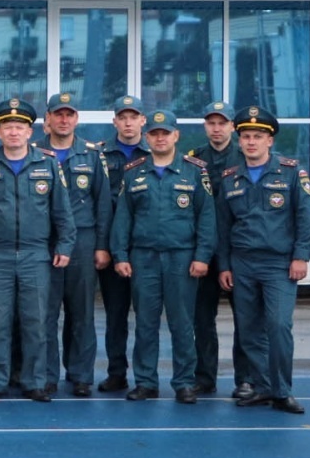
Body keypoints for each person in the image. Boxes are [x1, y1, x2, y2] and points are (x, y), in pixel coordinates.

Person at [0, 99, 76, 401]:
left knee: (35, 321)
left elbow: (61, 211)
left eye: (19, 127)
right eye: (7, 126)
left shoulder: (47, 164)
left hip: (36, 255)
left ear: (30, 131)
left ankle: (34, 381)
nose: (13, 132)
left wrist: (64, 244)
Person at [108, 110, 216, 403]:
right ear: (147, 136)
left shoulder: (195, 171)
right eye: (154, 133)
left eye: (165, 133)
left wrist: (203, 256)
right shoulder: (134, 172)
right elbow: (122, 219)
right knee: (145, 323)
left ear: (175, 136)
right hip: (143, 258)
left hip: (182, 259)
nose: (159, 138)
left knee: (182, 324)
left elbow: (206, 217)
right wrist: (120, 255)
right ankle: (145, 382)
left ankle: (183, 382)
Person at [214, 105, 310, 416]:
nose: (251, 142)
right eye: (246, 136)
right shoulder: (230, 178)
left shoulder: (291, 172)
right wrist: (225, 265)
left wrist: (301, 256)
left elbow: (307, 218)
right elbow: (222, 226)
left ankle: (282, 390)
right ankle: (261, 386)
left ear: (269, 141)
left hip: (279, 264)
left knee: (278, 325)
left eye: (258, 136)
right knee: (249, 329)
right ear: (239, 139)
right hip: (242, 264)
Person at [40, 92, 108, 397]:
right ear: (48, 120)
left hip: (83, 239)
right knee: (45, 313)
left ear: (76, 119)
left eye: (69, 115)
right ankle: (47, 374)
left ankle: (80, 374)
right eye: (58, 114)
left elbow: (103, 204)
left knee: (81, 312)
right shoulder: (36, 153)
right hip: (45, 241)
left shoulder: (92, 155)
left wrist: (102, 246)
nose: (64, 120)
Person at [187, 99, 250, 398]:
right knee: (202, 319)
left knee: (246, 318)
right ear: (205, 126)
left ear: (232, 127)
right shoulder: (194, 159)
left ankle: (246, 379)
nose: (216, 128)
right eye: (211, 123)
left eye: (222, 123)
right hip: (204, 252)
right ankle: (204, 377)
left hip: (238, 250)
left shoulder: (246, 157)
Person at [95, 94, 149, 393]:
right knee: (115, 316)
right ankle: (117, 372)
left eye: (134, 117)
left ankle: (145, 376)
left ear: (143, 120)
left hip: (145, 247)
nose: (128, 123)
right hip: (114, 247)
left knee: (147, 316)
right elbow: (98, 204)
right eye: (123, 117)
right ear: (115, 121)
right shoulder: (100, 154)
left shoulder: (154, 152)